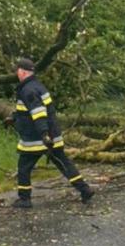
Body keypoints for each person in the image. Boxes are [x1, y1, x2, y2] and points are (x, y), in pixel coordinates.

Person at [8, 58, 94, 209]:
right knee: (63, 164)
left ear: (22, 71)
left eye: (17, 71)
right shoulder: (37, 86)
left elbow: (38, 113)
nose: (16, 74)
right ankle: (85, 189)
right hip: (52, 135)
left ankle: (25, 199)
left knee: (23, 167)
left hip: (37, 138)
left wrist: (44, 134)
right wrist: (14, 118)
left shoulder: (28, 90)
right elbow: (29, 111)